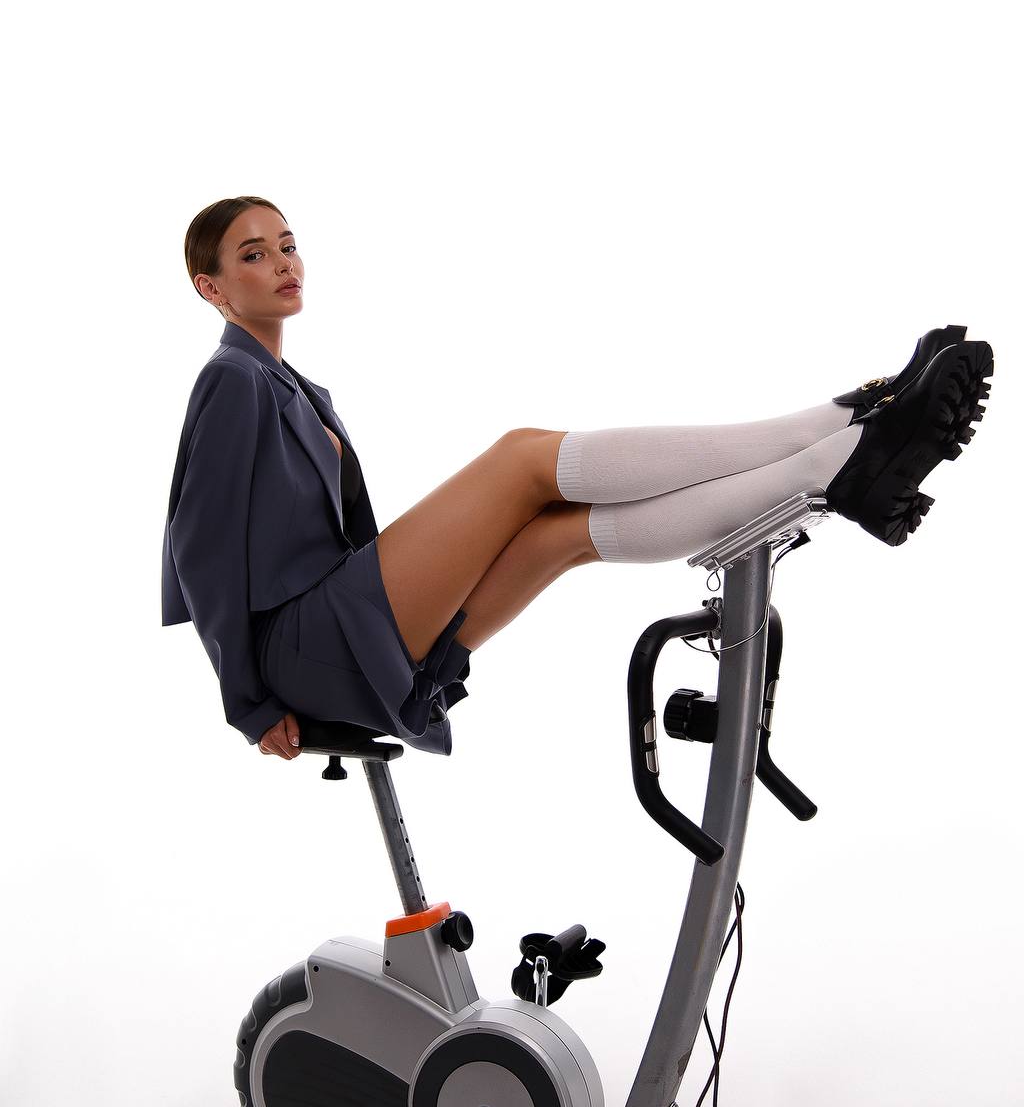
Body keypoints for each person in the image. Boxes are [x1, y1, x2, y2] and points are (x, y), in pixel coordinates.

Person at [161, 196, 994, 761]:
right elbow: (197, 554)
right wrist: (248, 704)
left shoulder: (302, 391)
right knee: (526, 460)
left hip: (338, 618)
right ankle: (841, 425)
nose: (283, 262)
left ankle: (834, 465)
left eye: (289, 244)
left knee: (557, 537)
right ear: (212, 288)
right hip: (301, 644)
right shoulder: (232, 379)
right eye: (253, 254)